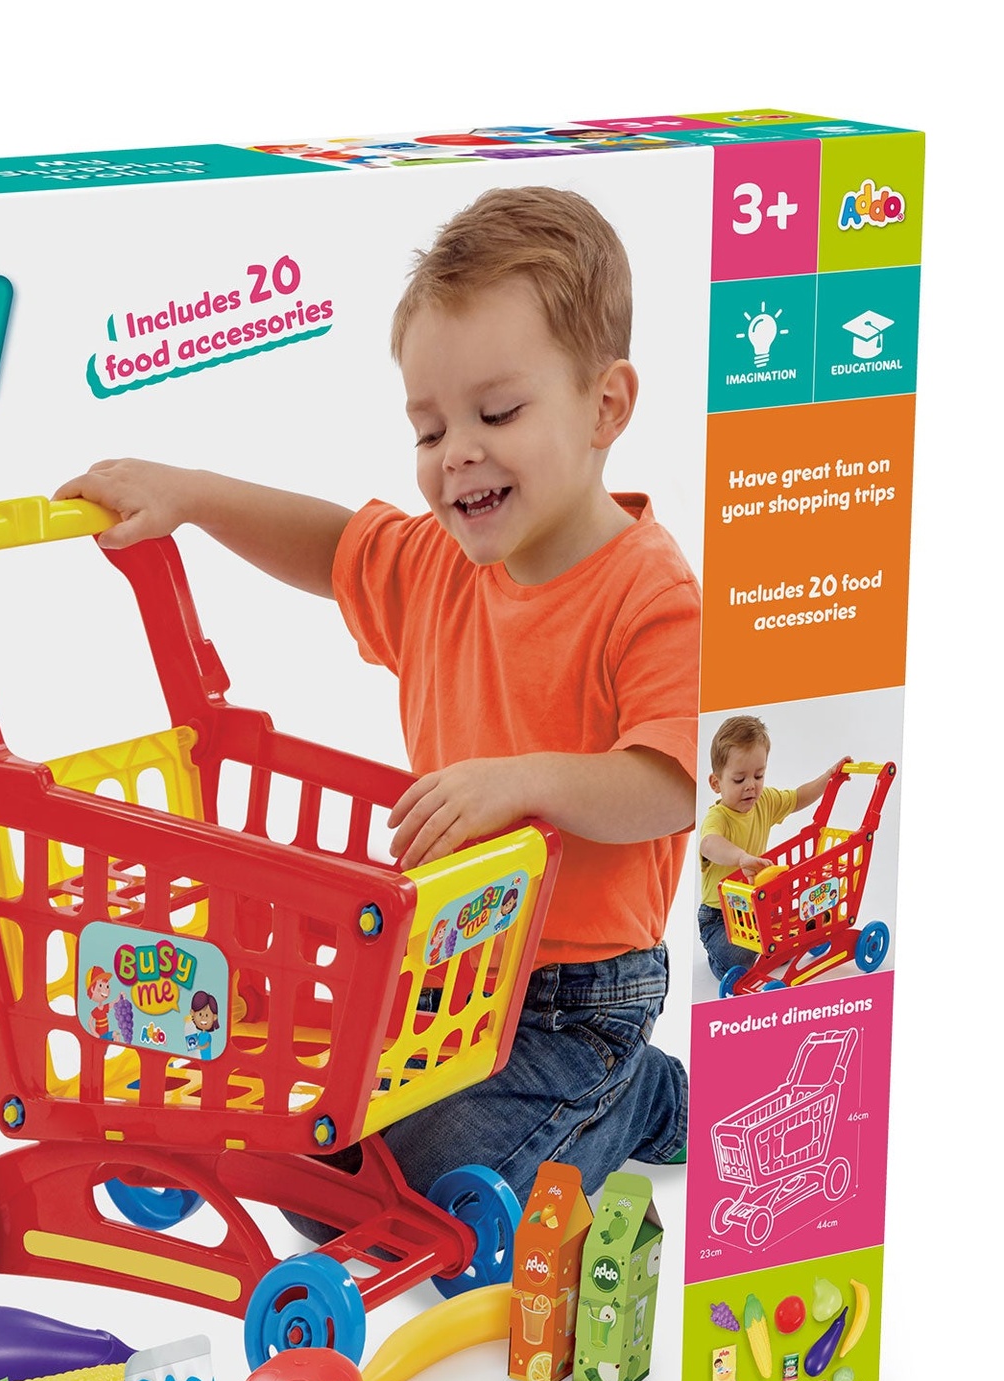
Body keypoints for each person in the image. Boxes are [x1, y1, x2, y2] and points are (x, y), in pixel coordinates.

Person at [57, 185, 695, 1209]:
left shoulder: (648, 594)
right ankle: (597, 1104)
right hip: (444, 963)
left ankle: (638, 1095)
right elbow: (331, 546)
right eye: (429, 429)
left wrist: (524, 781)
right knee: (308, 1149)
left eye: (498, 413)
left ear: (606, 408)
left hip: (577, 999)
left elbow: (672, 783)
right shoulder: (442, 566)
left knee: (424, 1188)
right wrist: (193, 496)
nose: (457, 454)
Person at [697, 715, 849, 982]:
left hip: (755, 908)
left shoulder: (764, 801)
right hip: (720, 917)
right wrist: (741, 857)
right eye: (739, 779)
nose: (751, 785)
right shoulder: (718, 817)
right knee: (741, 958)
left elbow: (799, 797)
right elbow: (708, 844)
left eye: (759, 775)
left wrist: (828, 778)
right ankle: (720, 957)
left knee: (785, 932)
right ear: (716, 783)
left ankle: (775, 951)